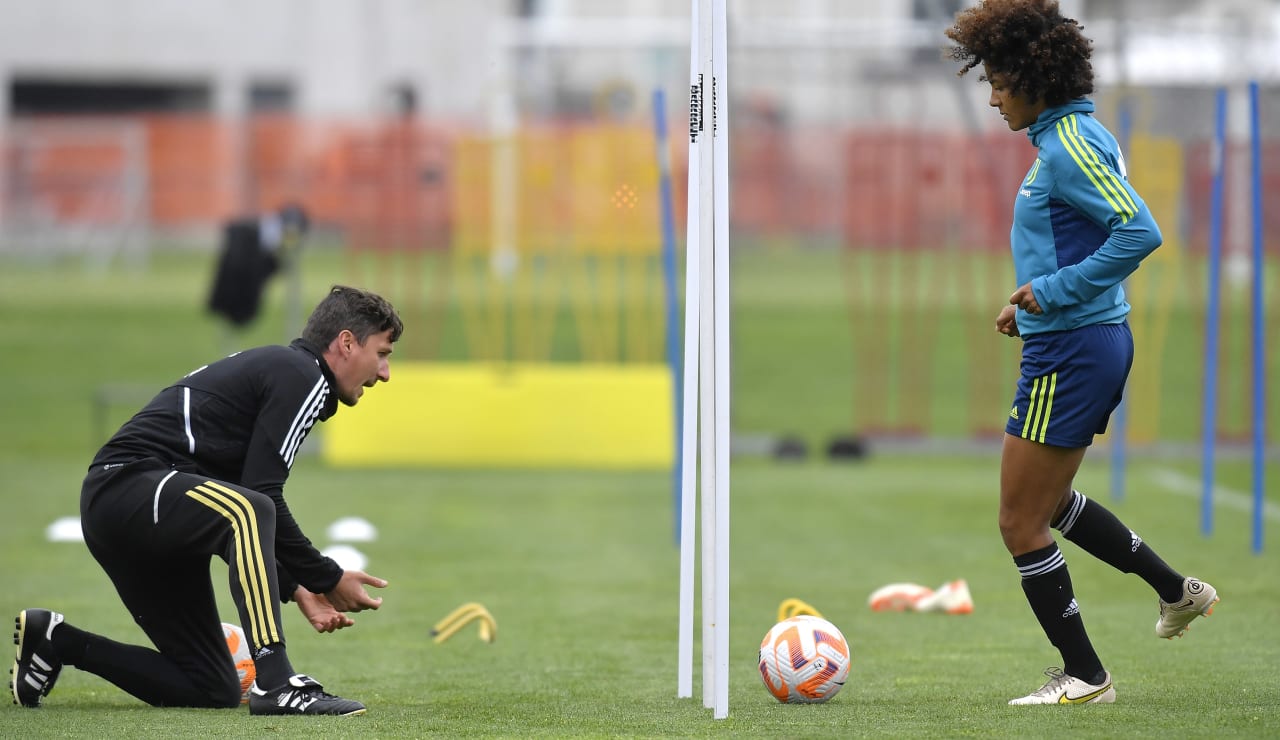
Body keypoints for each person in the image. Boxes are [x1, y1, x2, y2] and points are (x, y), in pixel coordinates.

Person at [945, 0, 1219, 705]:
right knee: (1051, 501)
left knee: (1018, 520)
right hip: (1073, 338)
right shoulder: (1067, 137)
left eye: (1000, 80)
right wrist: (1030, 300)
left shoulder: (1068, 146)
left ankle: (1086, 677)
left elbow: (1138, 231)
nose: (994, 94)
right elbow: (1078, 239)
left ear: (1036, 77)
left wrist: (1054, 291)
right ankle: (1176, 591)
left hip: (1074, 349)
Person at [11, 285, 403, 715]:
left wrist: (295, 585)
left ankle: (60, 642)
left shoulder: (289, 374)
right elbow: (259, 497)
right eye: (382, 353)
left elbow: (229, 504)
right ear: (346, 343)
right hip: (127, 485)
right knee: (252, 507)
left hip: (133, 511)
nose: (384, 373)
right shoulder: (302, 373)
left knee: (210, 687)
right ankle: (277, 684)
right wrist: (327, 577)